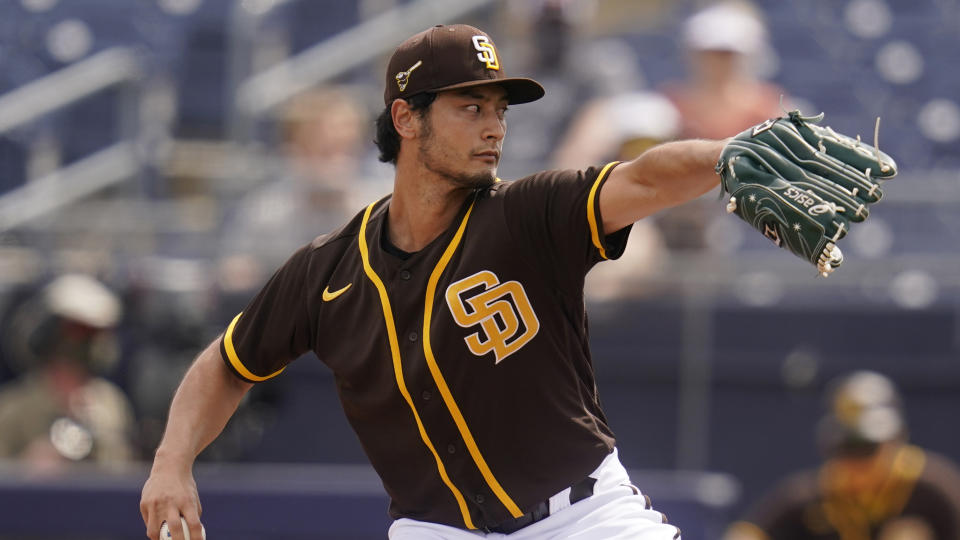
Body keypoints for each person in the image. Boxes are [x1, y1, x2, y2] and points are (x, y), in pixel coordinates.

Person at [140, 23, 732, 540]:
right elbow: (227, 363)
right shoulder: (327, 271)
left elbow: (644, 180)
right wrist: (172, 460)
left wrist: (731, 153)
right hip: (435, 530)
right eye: (471, 108)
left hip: (582, 519)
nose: (495, 128)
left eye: (500, 109)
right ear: (406, 117)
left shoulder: (525, 216)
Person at [723, 371, 960, 540]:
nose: (856, 462)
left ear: (896, 441)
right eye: (846, 447)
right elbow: (746, 534)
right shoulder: (810, 497)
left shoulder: (935, 493)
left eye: (867, 447)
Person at [0, 274, 135, 471]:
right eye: (77, 330)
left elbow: (124, 472)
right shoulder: (15, 408)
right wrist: (25, 465)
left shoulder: (110, 404)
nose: (85, 342)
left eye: (93, 333)